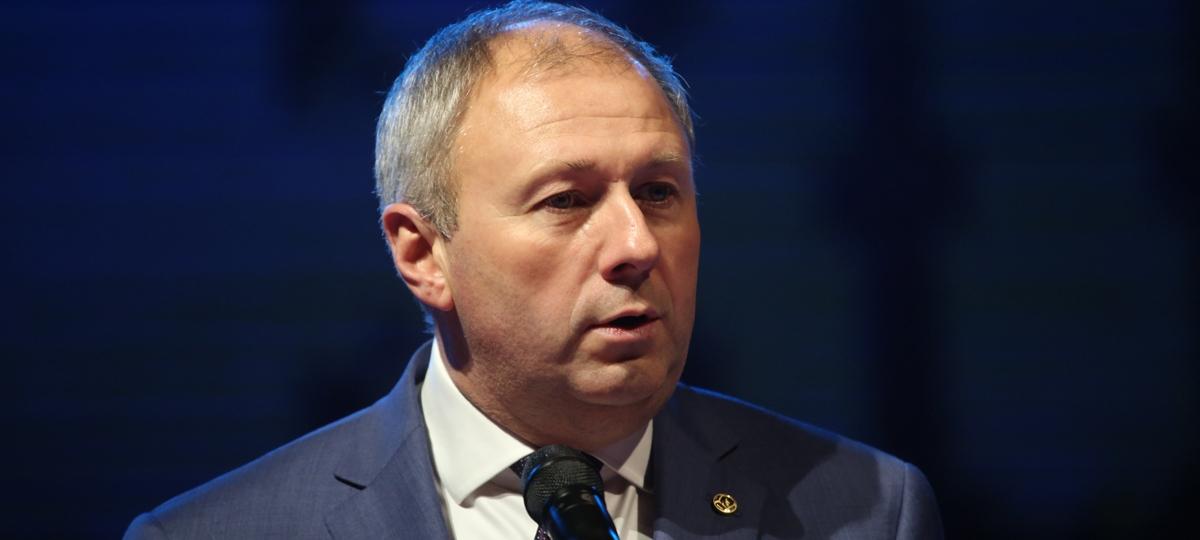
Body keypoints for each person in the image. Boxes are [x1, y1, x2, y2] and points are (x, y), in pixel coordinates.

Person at [125, 2, 943, 538]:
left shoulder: (869, 511)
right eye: (566, 201)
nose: (636, 245)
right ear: (421, 254)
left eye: (658, 191)